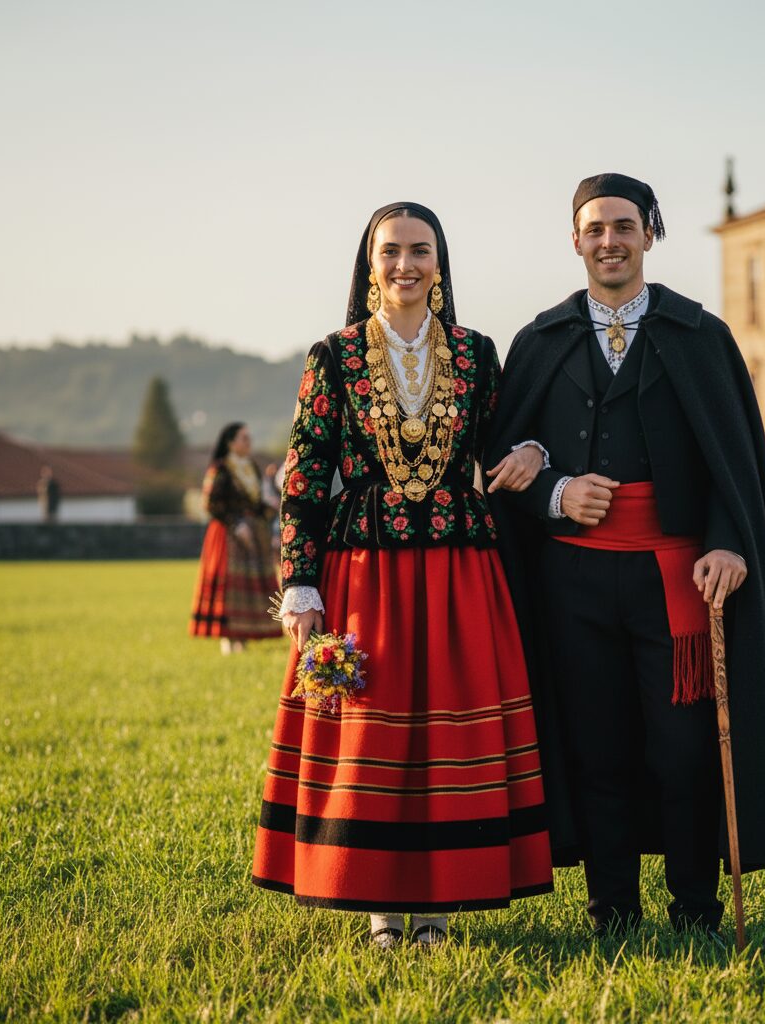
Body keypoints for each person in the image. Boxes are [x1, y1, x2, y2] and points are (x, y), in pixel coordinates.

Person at [487, 173, 765, 942]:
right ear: (575, 240)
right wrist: (555, 489)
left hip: (677, 580)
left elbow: (732, 460)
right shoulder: (537, 342)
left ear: (650, 234)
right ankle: (612, 911)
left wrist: (731, 542)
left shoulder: (700, 336)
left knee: (682, 753)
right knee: (598, 748)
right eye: (595, 228)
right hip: (570, 580)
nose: (610, 241)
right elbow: (500, 462)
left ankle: (695, 909)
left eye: (625, 227)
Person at [251, 203, 553, 949]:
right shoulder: (334, 356)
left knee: (447, 737)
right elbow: (304, 476)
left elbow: (511, 436)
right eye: (390, 252)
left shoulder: (479, 355)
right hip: (363, 576)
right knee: (374, 739)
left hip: (460, 573)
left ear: (440, 263)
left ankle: (442, 906)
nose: (405, 265)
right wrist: (299, 581)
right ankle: (384, 906)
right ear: (369, 264)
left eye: (420, 251)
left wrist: (537, 453)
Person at [189, 422, 283, 653]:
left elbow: (255, 501)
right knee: (230, 584)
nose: (248, 442)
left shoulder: (250, 466)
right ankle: (229, 638)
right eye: (243, 438)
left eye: (249, 437)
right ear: (230, 442)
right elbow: (210, 503)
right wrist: (235, 523)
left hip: (254, 534)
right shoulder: (220, 469)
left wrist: (271, 508)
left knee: (249, 583)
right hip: (229, 534)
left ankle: (245, 634)